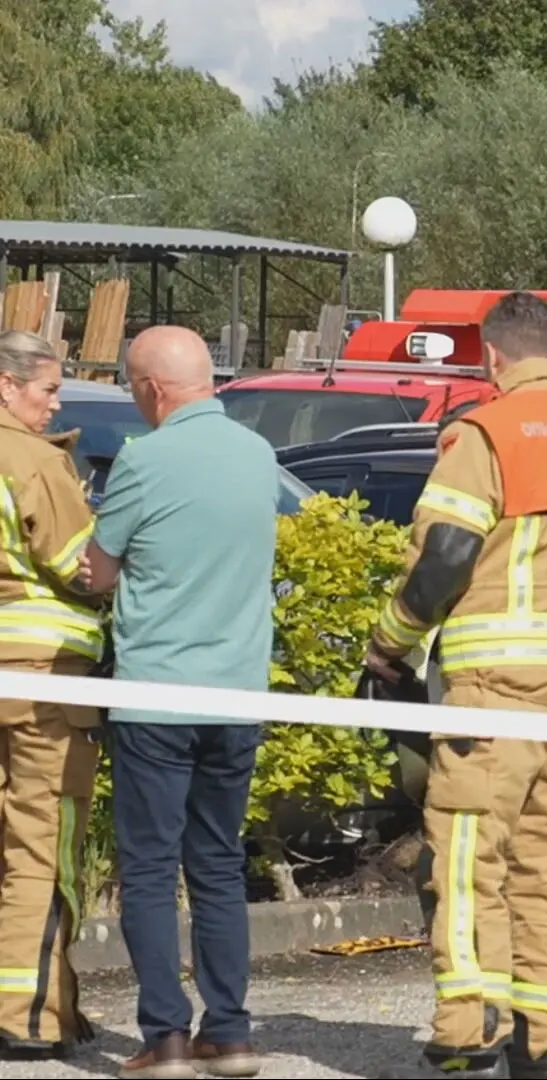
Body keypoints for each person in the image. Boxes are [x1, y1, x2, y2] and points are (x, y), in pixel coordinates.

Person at [364, 291, 547, 1080]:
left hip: (497, 693)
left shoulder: (487, 433)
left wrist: (391, 644)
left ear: (492, 357)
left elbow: (445, 556)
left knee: (471, 863)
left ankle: (469, 1036)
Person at [81, 326, 279, 1080]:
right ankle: (230, 1034)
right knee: (220, 866)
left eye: (133, 390)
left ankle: (164, 1036)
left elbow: (98, 572)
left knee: (150, 866)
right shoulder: (257, 455)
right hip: (236, 694)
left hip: (157, 696)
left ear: (152, 390)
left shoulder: (144, 460)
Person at [0, 330, 110, 1062]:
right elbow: (81, 569)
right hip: (40, 682)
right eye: (48, 390)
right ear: (6, 387)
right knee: (41, 849)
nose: (56, 401)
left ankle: (51, 1002)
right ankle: (30, 1016)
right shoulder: (34, 460)